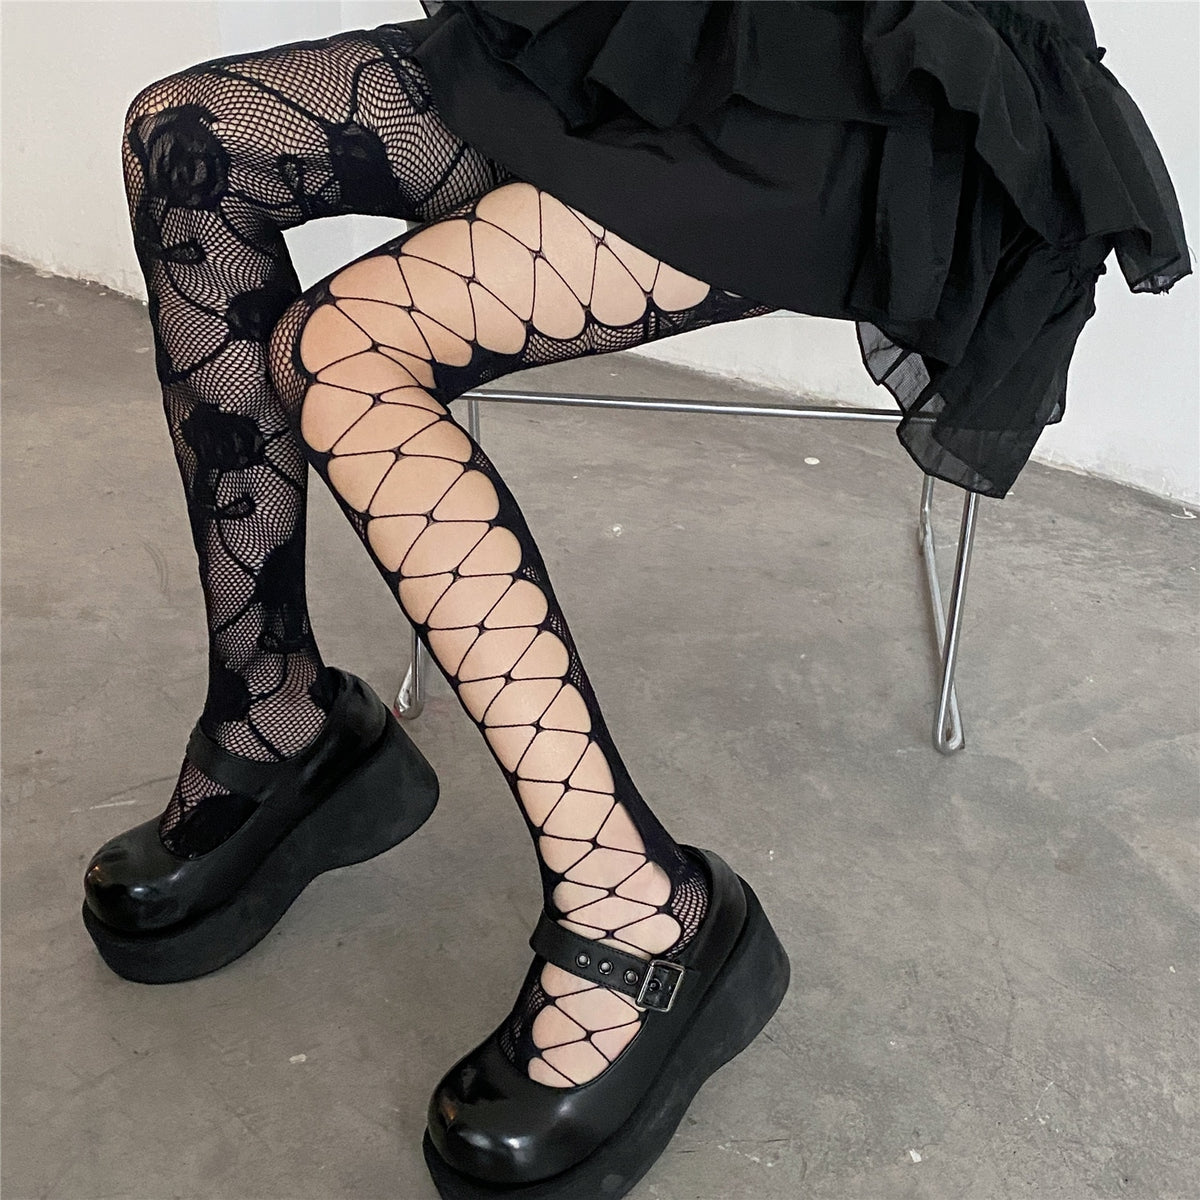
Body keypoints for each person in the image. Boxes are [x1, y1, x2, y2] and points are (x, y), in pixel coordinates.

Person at [79, 3, 1190, 1197]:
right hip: (626, 32)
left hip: (837, 85)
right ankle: (277, 717)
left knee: (342, 355)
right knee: (184, 142)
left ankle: (643, 909)